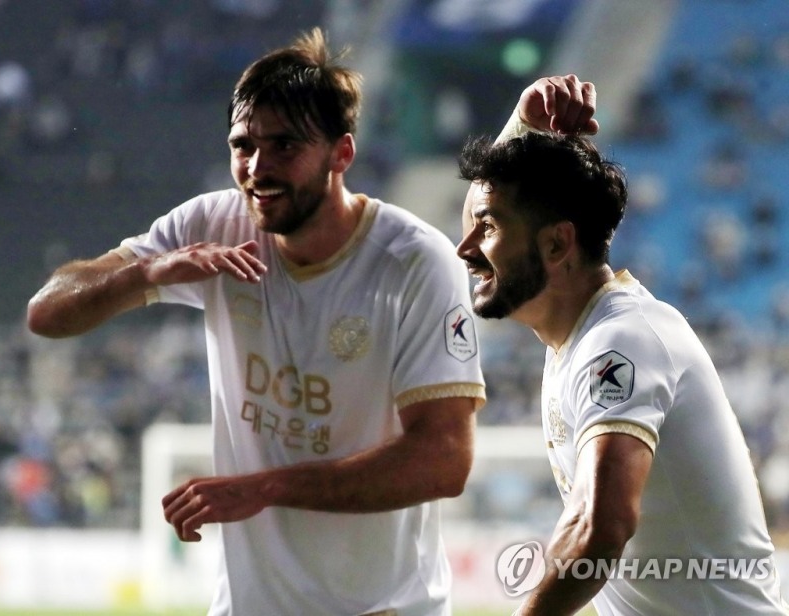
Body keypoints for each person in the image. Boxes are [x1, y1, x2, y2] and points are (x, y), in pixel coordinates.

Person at [27, 28, 488, 616]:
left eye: (285, 147)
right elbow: (47, 314)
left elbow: (444, 461)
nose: (256, 167)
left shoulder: (415, 263)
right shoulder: (214, 224)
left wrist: (266, 486)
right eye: (243, 144)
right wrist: (148, 272)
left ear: (341, 153)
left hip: (384, 609)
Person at [456, 102, 789, 614]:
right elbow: (497, 203)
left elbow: (598, 528)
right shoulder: (583, 336)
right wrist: (521, 123)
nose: (465, 247)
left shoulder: (619, 341)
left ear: (557, 243)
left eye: (487, 229)